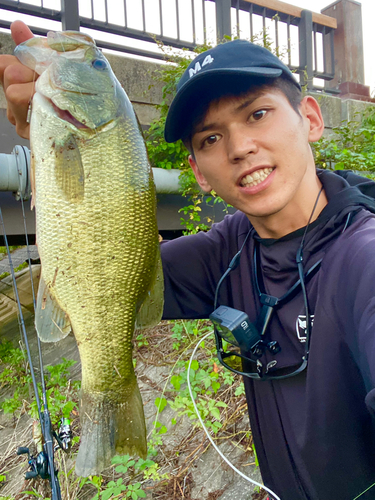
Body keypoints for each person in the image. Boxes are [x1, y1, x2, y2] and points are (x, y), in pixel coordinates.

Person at [2, 20, 375, 500]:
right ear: (198, 172)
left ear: (310, 119)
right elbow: (113, 262)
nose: (240, 147)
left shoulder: (363, 259)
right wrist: (45, 145)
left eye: (258, 114)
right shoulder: (226, 252)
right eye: (210, 139)